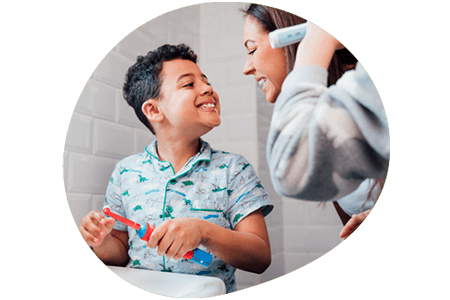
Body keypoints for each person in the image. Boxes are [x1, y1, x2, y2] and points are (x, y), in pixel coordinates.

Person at [78, 44, 273, 293]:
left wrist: (203, 232)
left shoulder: (233, 169)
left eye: (206, 81)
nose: (208, 88)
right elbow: (119, 251)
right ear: (153, 110)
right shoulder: (125, 172)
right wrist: (102, 242)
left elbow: (260, 257)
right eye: (189, 84)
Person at [241, 5, 389, 237]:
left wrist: (315, 41)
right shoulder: (333, 112)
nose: (246, 68)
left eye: (251, 50)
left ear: (290, 37)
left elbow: (290, 171)